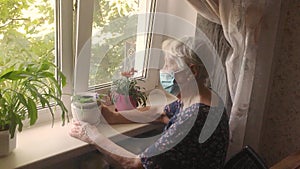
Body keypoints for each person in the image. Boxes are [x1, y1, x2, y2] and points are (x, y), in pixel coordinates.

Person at [70, 37, 229, 169]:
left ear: (192, 71)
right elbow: (159, 113)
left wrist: (92, 136)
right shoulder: (203, 96)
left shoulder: (195, 117)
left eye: (168, 64)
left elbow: (134, 164)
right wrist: (112, 115)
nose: (163, 70)